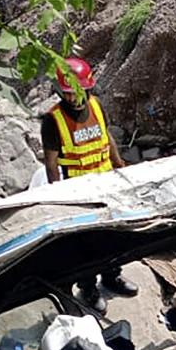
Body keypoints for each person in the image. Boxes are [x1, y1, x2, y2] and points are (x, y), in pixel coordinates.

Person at [40, 56, 136, 312]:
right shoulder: (53, 120)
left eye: (77, 92)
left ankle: (112, 276)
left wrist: (119, 164)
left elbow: (107, 138)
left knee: (112, 235)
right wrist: (57, 194)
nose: (73, 98)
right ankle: (89, 288)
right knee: (85, 244)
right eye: (68, 93)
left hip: (106, 183)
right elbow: (51, 163)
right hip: (79, 189)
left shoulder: (95, 106)